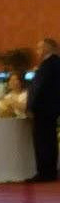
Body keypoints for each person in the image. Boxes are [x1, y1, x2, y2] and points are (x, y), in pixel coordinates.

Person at [27, 38, 60, 182]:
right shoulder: (56, 63)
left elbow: (39, 89)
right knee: (50, 140)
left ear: (46, 48)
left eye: (39, 48)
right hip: (52, 109)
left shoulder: (47, 65)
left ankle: (44, 172)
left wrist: (30, 107)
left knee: (42, 141)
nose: (37, 51)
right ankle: (50, 171)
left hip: (43, 109)